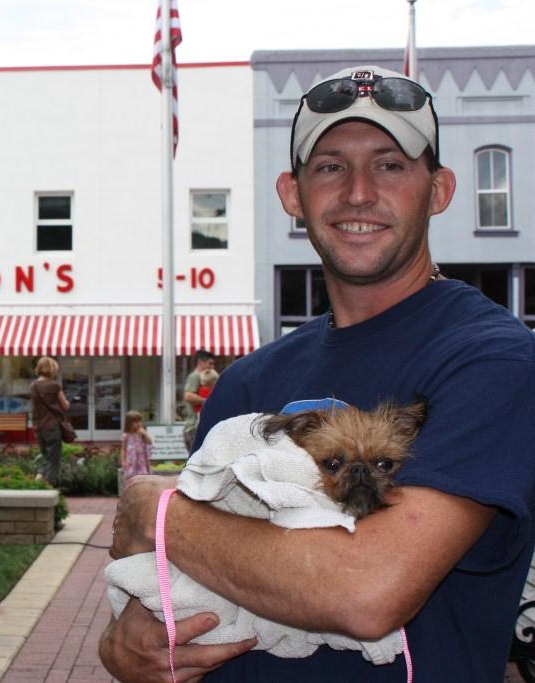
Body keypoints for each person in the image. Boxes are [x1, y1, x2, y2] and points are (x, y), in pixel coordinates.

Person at [100, 64, 535, 682]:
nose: (358, 193)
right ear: (292, 195)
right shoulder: (247, 381)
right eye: (330, 167)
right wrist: (123, 645)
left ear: (438, 190)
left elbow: (368, 592)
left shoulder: (493, 361)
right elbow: (179, 575)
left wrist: (159, 513)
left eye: (390, 165)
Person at [30, 356, 70, 485]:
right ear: (52, 369)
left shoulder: (33, 386)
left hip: (38, 427)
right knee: (54, 460)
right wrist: (67, 402)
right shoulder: (54, 386)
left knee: (47, 457)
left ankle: (37, 483)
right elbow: (65, 406)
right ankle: (49, 487)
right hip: (52, 426)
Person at [181, 350, 215, 453]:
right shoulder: (196, 376)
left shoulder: (202, 376)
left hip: (199, 426)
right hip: (194, 427)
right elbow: (188, 396)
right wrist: (208, 401)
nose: (212, 367)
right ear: (200, 362)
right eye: (210, 363)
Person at [120, 410, 153, 480]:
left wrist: (144, 433)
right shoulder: (126, 435)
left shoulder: (141, 434)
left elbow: (149, 442)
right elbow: (123, 449)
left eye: (140, 421)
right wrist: (123, 461)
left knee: (143, 478)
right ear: (129, 423)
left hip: (142, 461)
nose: (139, 424)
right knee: (131, 478)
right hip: (131, 462)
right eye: (136, 422)